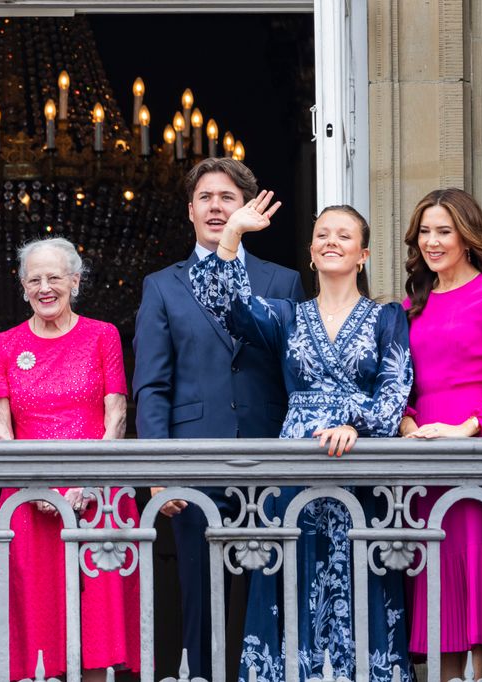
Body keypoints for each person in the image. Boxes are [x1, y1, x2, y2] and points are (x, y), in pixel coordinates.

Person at [191, 198, 414, 681]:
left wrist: (355, 422)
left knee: (359, 580)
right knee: (291, 579)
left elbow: (395, 393)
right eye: (323, 235)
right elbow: (223, 305)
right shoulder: (287, 316)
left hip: (361, 471)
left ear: (364, 255)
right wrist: (232, 234)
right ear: (311, 254)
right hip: (294, 471)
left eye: (344, 235)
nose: (331, 241)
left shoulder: (387, 317)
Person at [132, 157, 303, 678]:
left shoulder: (283, 279)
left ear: (248, 208)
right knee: (200, 597)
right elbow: (152, 384)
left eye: (227, 198)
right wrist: (159, 473)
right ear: (189, 211)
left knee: (271, 595)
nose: (215, 207)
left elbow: (293, 374)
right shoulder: (162, 285)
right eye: (205, 198)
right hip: (192, 462)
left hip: (268, 456)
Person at [0, 237, 138, 682]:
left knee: (94, 633)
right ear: (23, 286)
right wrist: (41, 490)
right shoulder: (3, 345)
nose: (45, 287)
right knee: (36, 628)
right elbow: (0, 428)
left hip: (97, 499)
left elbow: (117, 416)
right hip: (28, 504)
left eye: (55, 277)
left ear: (75, 280)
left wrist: (84, 487)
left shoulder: (103, 335)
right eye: (35, 279)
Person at [399, 188, 482, 681]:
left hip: (471, 455)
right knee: (435, 579)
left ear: (467, 236)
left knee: (473, 572)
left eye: (443, 231)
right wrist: (408, 422)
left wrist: (467, 428)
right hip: (422, 459)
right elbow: (401, 381)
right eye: (425, 232)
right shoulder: (413, 306)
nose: (432, 242)